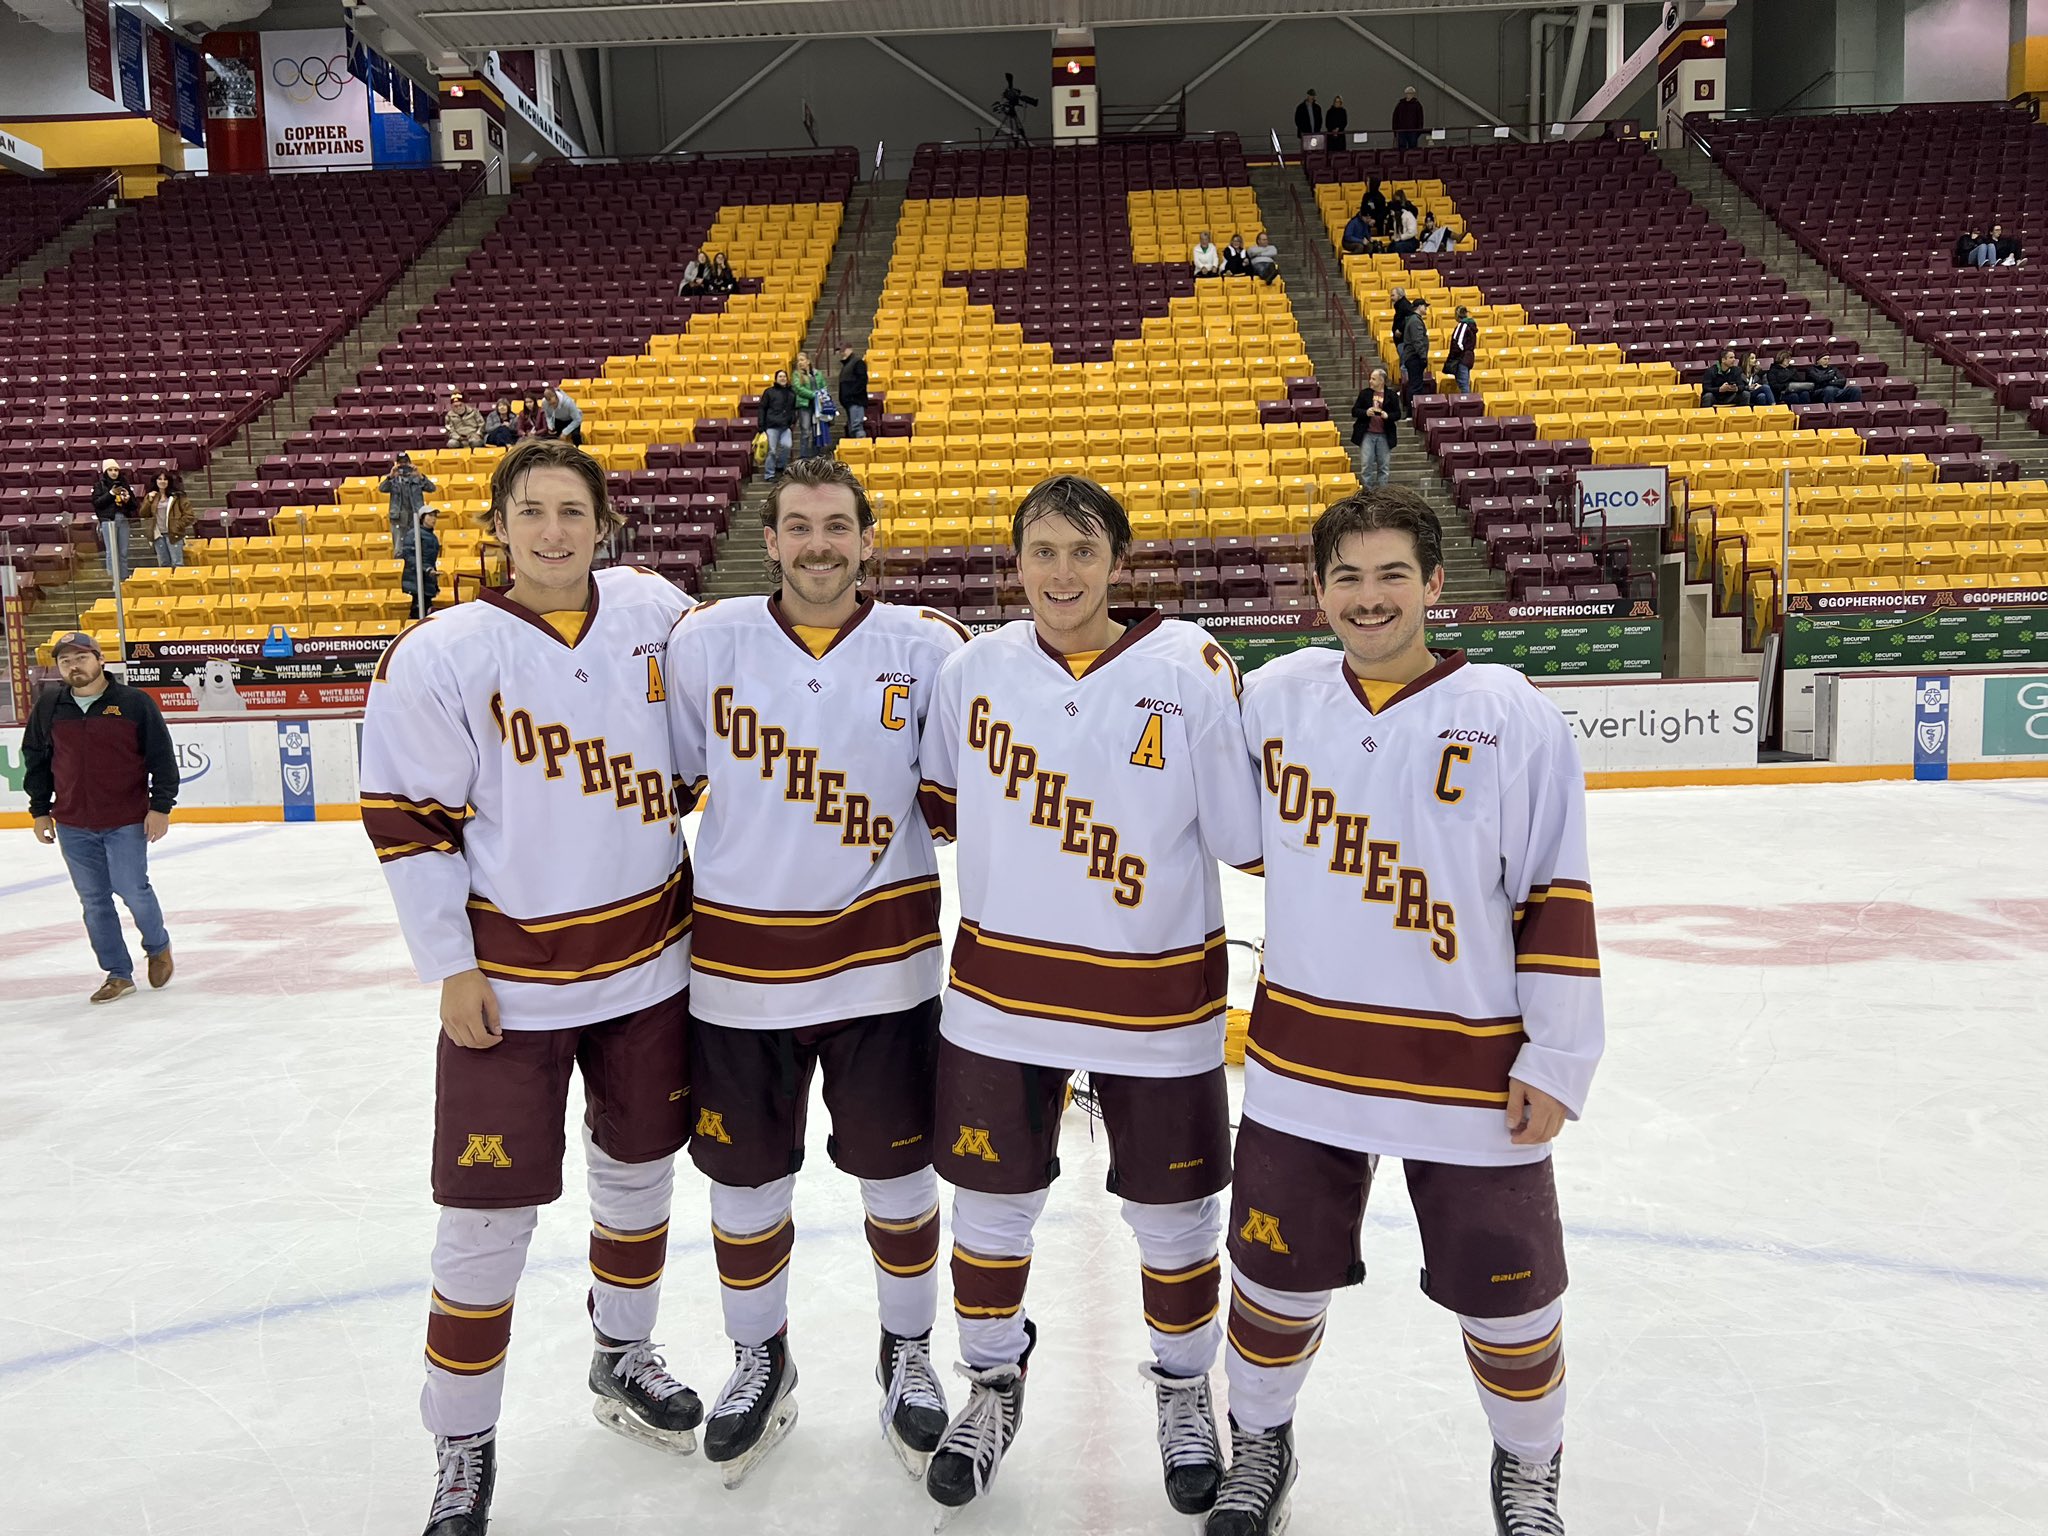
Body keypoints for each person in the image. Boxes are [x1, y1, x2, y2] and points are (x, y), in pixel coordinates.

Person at [1206, 487, 1603, 1536]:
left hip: (1468, 1069)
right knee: (1270, 1278)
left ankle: (1526, 1471)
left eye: (1390, 575)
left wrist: (1555, 1056)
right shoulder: (1277, 695)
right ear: (1317, 590)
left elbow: (1553, 893)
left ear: (1434, 583)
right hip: (1302, 1061)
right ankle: (1259, 1443)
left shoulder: (1511, 713)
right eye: (1344, 577)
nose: (1367, 597)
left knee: (1508, 1297)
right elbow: (1230, 832)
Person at [357, 436, 704, 1536]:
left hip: (651, 962)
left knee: (640, 1178)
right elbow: (410, 825)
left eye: (572, 510)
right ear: (497, 526)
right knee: (482, 1222)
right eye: (532, 512)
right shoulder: (442, 651)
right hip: (509, 986)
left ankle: (624, 1354)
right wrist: (448, 965)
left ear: (605, 522)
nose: (554, 531)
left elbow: (741, 709)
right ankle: (462, 1446)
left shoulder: (655, 610)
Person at [915, 475, 1262, 1523]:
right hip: (999, 997)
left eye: (1080, 550)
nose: (1059, 572)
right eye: (1040, 551)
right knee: (990, 1207)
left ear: (1118, 559)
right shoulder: (970, 671)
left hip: (1155, 1000)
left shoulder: (1188, 665)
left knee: (1172, 1214)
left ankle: (1179, 1390)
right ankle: (990, 1383)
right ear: (1011, 561)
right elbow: (941, 803)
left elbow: (1244, 836)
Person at [662, 457, 968, 1487]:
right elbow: (654, 786)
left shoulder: (925, 648)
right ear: (772, 540)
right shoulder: (707, 643)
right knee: (744, 1185)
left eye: (836, 526)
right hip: (737, 975)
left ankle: (908, 1350)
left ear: (867, 538)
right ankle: (760, 1355)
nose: (818, 545)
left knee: (900, 1176)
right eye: (798, 527)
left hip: (884, 972)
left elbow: (973, 798)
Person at [22, 630, 179, 1005]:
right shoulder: (49, 707)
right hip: (73, 822)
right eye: (65, 661)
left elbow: (162, 757)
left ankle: (157, 946)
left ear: (100, 660)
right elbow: (37, 760)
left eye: (81, 658)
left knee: (131, 889)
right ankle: (118, 973)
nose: (74, 666)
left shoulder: (133, 703)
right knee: (94, 901)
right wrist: (40, 811)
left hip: (126, 818)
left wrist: (161, 807)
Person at [1349, 367, 1402, 489]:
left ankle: (1382, 493)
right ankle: (1367, 492)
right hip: (1367, 434)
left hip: (1384, 434)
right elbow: (1355, 411)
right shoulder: (1365, 393)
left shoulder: (1392, 395)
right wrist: (1366, 412)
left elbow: (1398, 414)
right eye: (1371, 379)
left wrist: (1387, 415)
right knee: (1366, 465)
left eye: (1373, 379)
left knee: (1384, 466)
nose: (1370, 381)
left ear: (1381, 381)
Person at [91, 459, 139, 583]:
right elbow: (97, 503)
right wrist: (111, 493)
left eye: (116, 470)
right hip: (108, 521)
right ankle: (113, 579)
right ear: (105, 471)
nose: (113, 473)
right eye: (111, 470)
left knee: (123, 551)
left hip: (123, 519)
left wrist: (127, 500)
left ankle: (124, 578)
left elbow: (134, 505)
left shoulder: (124, 484)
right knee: (112, 551)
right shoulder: (99, 485)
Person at [379, 453, 437, 550]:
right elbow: (382, 489)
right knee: (399, 549)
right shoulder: (393, 479)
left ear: (410, 463)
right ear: (396, 464)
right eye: (400, 463)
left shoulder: (417, 478)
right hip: (399, 518)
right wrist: (391, 476)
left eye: (405, 463)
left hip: (416, 518)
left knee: (418, 548)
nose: (403, 466)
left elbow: (432, 488)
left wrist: (419, 475)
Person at [140, 468, 193, 569]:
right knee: (164, 564)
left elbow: (189, 515)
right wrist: (149, 500)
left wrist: (177, 526)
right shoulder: (152, 496)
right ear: (155, 481)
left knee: (177, 563)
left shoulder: (178, 496)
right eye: (159, 479)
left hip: (174, 534)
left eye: (165, 479)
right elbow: (143, 514)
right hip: (158, 535)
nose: (162, 481)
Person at [400, 506, 441, 619]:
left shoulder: (432, 536)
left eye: (435, 516)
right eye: (430, 516)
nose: (433, 519)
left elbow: (430, 560)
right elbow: (409, 556)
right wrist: (426, 570)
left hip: (426, 580)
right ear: (422, 518)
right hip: (416, 580)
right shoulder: (414, 534)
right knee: (418, 611)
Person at [758, 369, 798, 480]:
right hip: (771, 426)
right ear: (776, 379)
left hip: (785, 426)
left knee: (787, 446)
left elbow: (793, 409)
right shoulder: (769, 392)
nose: (782, 378)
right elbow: (762, 408)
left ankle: (780, 466)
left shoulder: (791, 393)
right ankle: (769, 474)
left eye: (784, 376)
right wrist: (761, 426)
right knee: (772, 451)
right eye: (780, 376)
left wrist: (792, 420)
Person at [790, 350, 825, 457]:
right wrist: (814, 395)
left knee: (817, 430)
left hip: (817, 406)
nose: (800, 362)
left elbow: (823, 386)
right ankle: (803, 456)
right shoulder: (796, 375)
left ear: (808, 361)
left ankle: (816, 454)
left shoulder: (817, 373)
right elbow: (798, 389)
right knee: (805, 431)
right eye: (798, 360)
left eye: (802, 360)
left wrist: (822, 395)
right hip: (805, 405)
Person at [1398, 297, 1431, 398]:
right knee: (1416, 386)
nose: (1426, 308)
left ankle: (1412, 410)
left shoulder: (1413, 320)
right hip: (1415, 357)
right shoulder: (1415, 321)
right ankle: (1412, 411)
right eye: (1425, 306)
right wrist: (1422, 357)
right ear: (1419, 306)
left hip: (1413, 357)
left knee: (1415, 385)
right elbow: (1417, 341)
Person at [1445, 306, 1478, 396]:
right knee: (1464, 383)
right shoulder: (1471, 325)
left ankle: (1466, 405)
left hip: (1462, 358)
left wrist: (1453, 357)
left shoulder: (1463, 325)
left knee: (1464, 385)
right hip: (1469, 357)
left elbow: (1458, 343)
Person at [839, 345, 870, 440]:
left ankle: (860, 447)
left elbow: (863, 380)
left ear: (850, 349)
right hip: (850, 402)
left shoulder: (857, 362)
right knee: (853, 428)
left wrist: (851, 394)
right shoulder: (848, 365)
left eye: (843, 349)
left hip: (855, 401)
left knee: (856, 427)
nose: (841, 352)